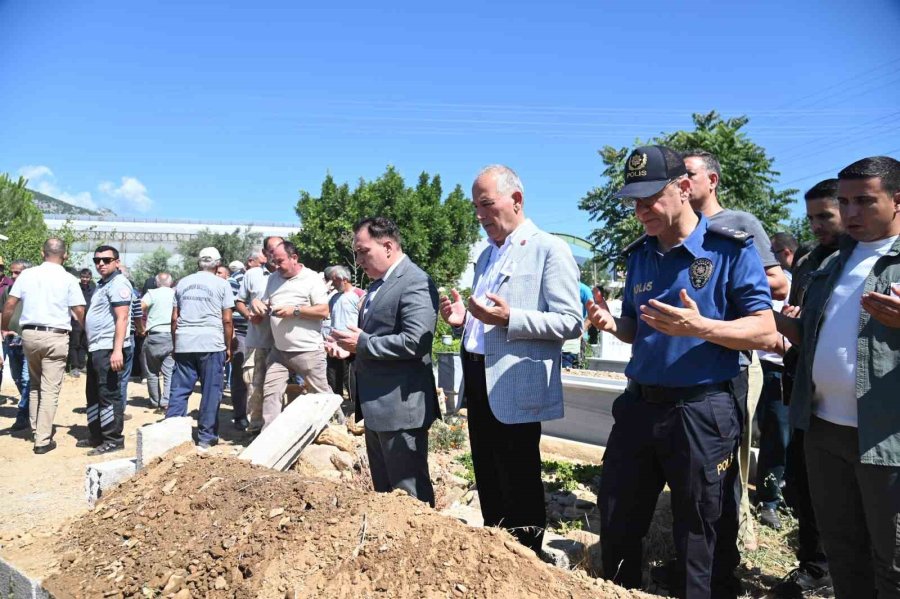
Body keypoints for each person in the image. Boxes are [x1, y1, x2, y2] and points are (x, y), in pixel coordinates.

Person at [589, 146, 775, 598]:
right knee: (616, 518)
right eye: (633, 202)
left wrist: (703, 327)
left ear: (684, 188)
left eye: (650, 198)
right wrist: (613, 323)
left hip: (700, 410)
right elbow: (638, 329)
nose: (640, 211)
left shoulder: (728, 248)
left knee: (699, 531)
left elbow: (767, 330)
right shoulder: (640, 256)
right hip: (639, 407)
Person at [438, 165, 583, 552]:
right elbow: (486, 320)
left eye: (486, 204)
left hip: (516, 383)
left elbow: (571, 322)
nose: (480, 215)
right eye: (476, 207)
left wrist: (511, 318)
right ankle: (495, 556)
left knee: (518, 478)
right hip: (480, 376)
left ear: (515, 200)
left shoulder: (549, 249)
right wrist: (462, 322)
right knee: (487, 473)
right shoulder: (487, 256)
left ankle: (526, 560)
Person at [775, 156, 900, 599]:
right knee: (844, 552)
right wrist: (759, 314)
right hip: (823, 430)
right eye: (844, 202)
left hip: (886, 439)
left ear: (897, 201)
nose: (850, 214)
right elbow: (809, 333)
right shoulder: (828, 260)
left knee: (894, 562)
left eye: (864, 201)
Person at [684, 149, 788, 559]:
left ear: (712, 180)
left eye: (689, 174)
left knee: (732, 460)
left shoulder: (738, 225)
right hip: (691, 367)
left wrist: (724, 281)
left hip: (736, 362)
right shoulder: (675, 228)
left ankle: (740, 537)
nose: (682, 182)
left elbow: (778, 284)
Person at [332, 217, 440, 506]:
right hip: (378, 406)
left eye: (363, 251)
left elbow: (417, 342)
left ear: (388, 246)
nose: (358, 260)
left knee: (409, 499)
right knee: (385, 497)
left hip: (401, 409)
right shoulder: (380, 284)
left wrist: (362, 343)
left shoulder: (415, 281)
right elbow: (376, 337)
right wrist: (350, 349)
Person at [769, 179, 843, 598]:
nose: (816, 225)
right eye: (811, 217)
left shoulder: (867, 261)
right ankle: (815, 568)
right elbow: (799, 327)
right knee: (803, 485)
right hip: (803, 390)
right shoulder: (810, 262)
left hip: (853, 405)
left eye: (825, 217)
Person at [2, 239, 86, 454]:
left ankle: (35, 428)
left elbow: (10, 304)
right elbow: (78, 310)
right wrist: (88, 332)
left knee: (35, 384)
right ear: (65, 255)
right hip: (56, 335)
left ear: (42, 253)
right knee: (50, 389)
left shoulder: (27, 275)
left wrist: (3, 327)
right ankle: (42, 439)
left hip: (29, 334)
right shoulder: (68, 279)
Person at [254, 241, 330, 428]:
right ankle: (269, 436)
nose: (276, 266)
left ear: (294, 258)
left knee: (321, 395)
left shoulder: (311, 279)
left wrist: (295, 311)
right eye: (274, 261)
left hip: (308, 351)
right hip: (279, 351)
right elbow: (264, 303)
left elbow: (324, 311)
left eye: (280, 261)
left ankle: (334, 428)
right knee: (271, 392)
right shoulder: (273, 279)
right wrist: (256, 304)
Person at [166, 247, 234, 450]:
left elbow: (174, 319)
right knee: (211, 391)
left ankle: (171, 433)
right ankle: (206, 436)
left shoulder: (182, 284)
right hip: (211, 343)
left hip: (185, 342)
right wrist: (228, 346)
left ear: (199, 262)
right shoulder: (222, 284)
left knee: (179, 390)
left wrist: (176, 344)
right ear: (217, 264)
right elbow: (227, 319)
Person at [754, 242, 793, 530]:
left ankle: (776, 497)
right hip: (762, 368)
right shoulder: (755, 280)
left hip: (786, 369)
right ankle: (761, 498)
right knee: (766, 434)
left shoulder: (794, 285)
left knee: (783, 436)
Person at [81, 245, 134, 454]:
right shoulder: (103, 284)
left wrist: (117, 350)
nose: (100, 264)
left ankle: (113, 439)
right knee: (93, 394)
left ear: (117, 262)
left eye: (106, 260)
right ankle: (97, 435)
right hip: (97, 348)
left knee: (109, 395)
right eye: (97, 261)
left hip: (109, 348)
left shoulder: (119, 283)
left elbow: (122, 317)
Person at [235, 242, 278, 435]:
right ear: (265, 253)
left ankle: (278, 430)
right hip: (258, 341)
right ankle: (255, 430)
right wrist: (249, 314)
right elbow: (239, 301)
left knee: (281, 388)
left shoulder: (295, 275)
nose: (275, 254)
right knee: (255, 386)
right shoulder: (252, 275)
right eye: (272, 250)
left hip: (285, 343)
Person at [1, 260, 31, 430]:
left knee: (27, 379)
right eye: (12, 272)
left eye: (17, 272)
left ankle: (22, 415)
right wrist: (3, 331)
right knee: (17, 378)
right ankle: (30, 406)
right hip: (10, 341)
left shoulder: (35, 291)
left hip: (28, 340)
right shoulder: (8, 290)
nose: (13, 276)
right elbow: (2, 311)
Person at [141, 272, 176, 410]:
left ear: (156, 283)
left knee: (151, 371)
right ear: (171, 282)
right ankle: (166, 401)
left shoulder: (151, 294)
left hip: (154, 336)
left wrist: (141, 327)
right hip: (170, 335)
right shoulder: (175, 294)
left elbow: (139, 307)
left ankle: (155, 401)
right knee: (169, 371)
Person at [325, 265, 359, 398]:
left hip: (349, 344)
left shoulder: (357, 296)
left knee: (350, 379)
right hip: (333, 344)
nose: (332, 283)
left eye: (334, 280)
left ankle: (354, 410)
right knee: (333, 378)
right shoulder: (334, 298)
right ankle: (336, 409)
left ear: (344, 279)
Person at [67, 268, 94, 377]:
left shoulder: (93, 289)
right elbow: (70, 303)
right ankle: (74, 367)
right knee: (74, 344)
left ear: (90, 278)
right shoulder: (75, 288)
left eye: (87, 277)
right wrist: (75, 316)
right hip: (76, 320)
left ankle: (82, 365)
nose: (84, 279)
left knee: (84, 344)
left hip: (88, 320)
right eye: (82, 277)